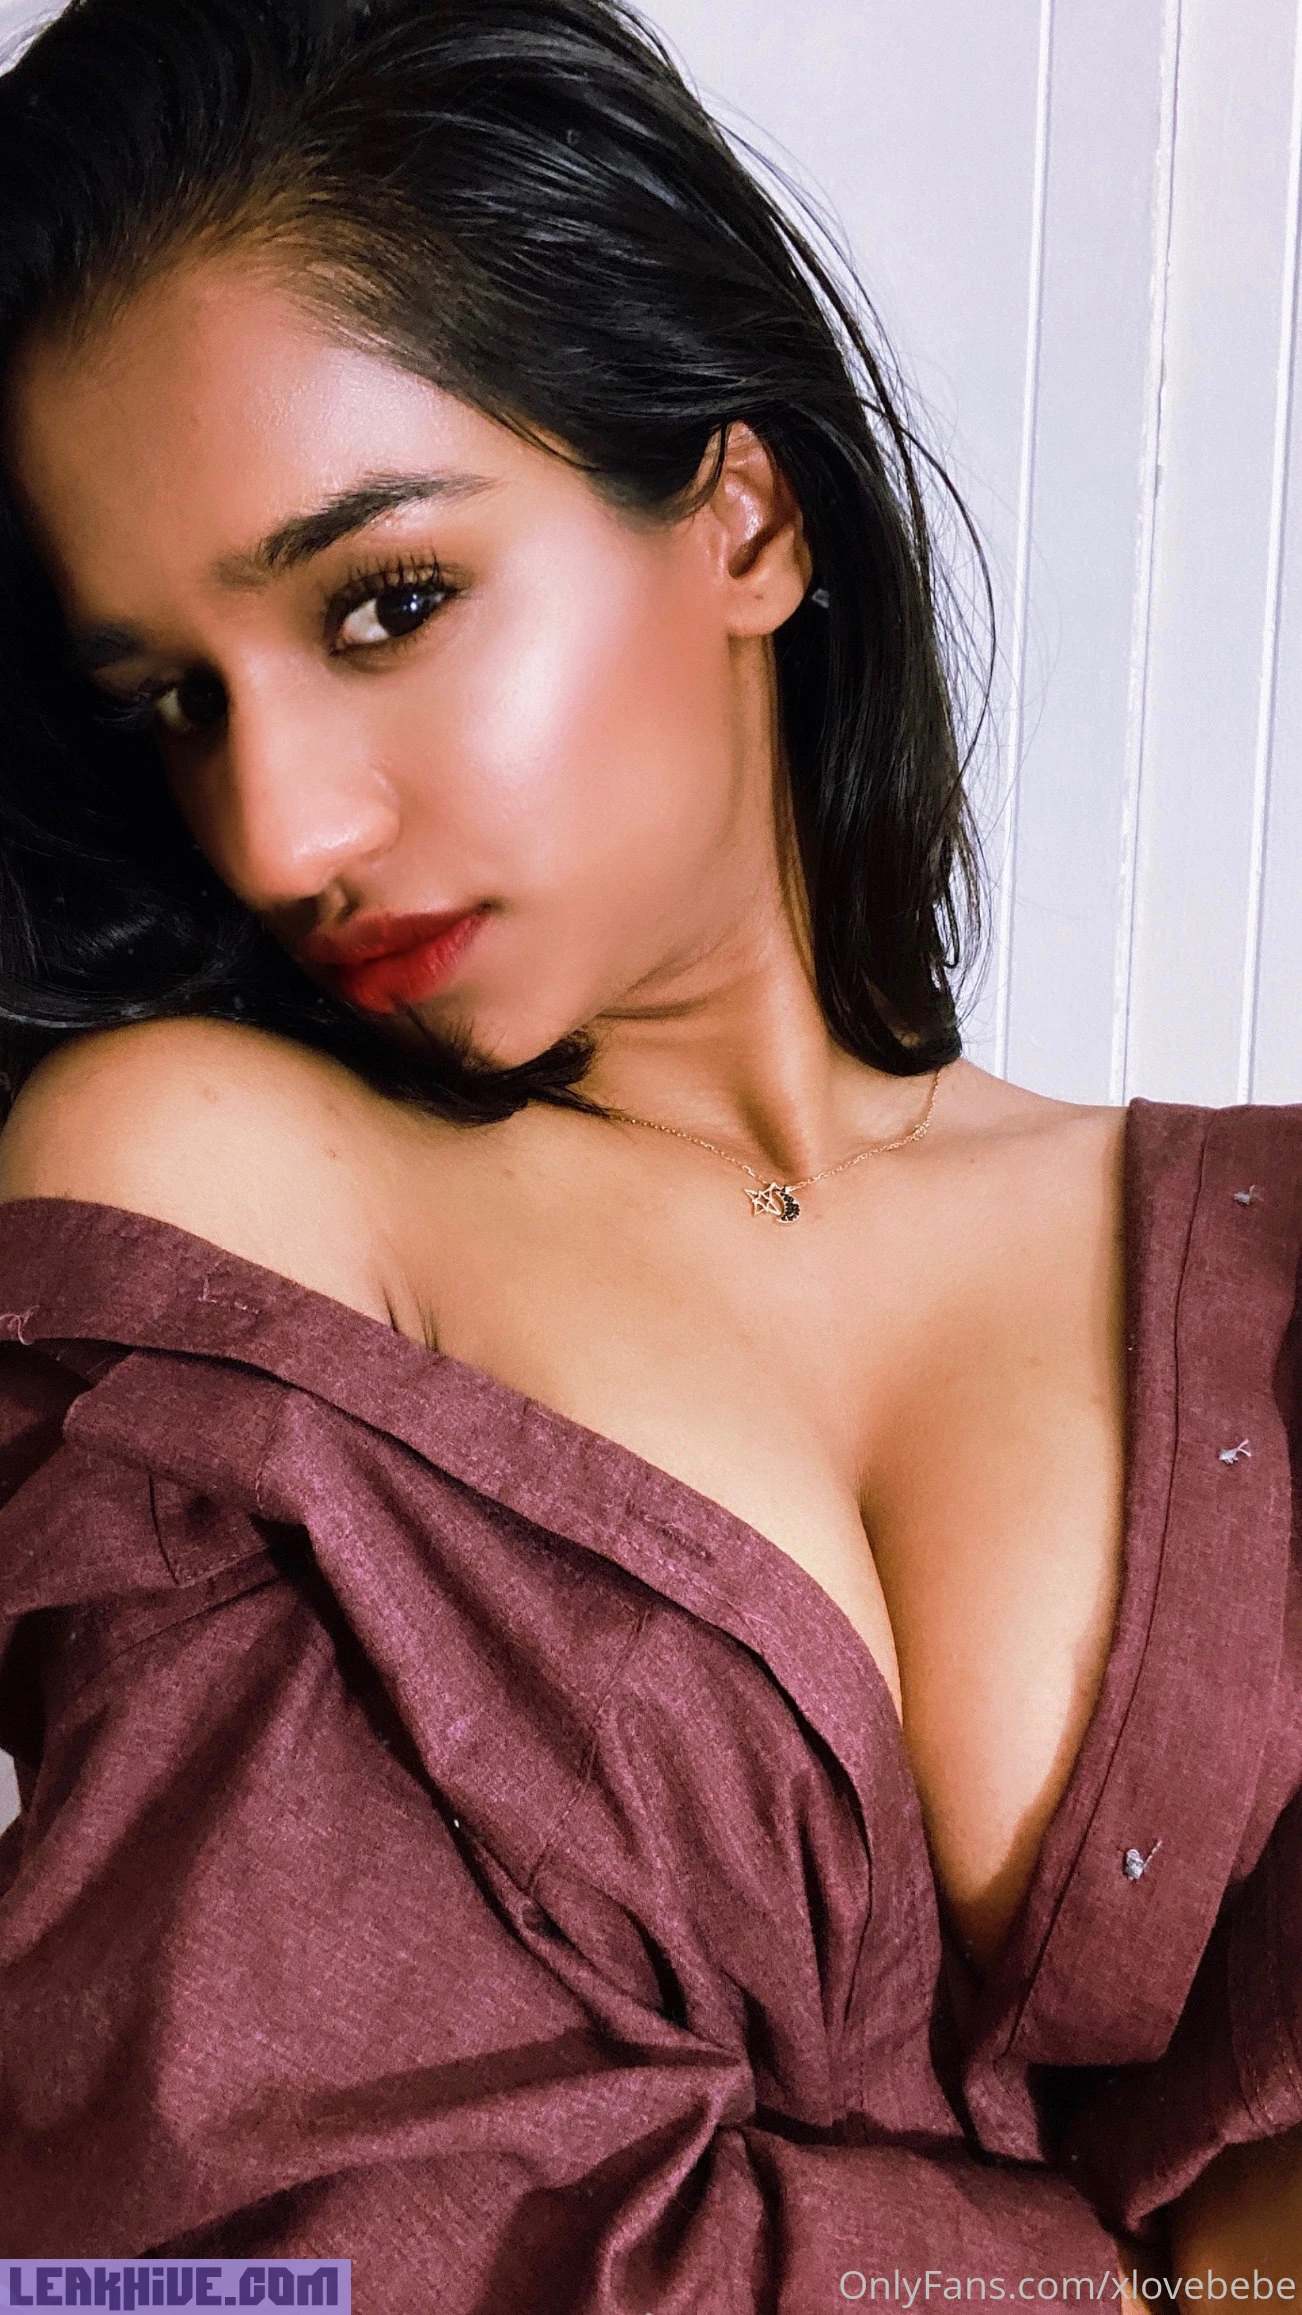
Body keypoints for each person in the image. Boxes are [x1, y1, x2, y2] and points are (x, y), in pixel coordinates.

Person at [0, 0, 1296, 2298]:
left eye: (384, 604)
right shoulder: (225, 1201)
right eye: (173, 703)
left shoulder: (1264, 1257)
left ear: (745, 515)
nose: (278, 828)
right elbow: (276, 2250)